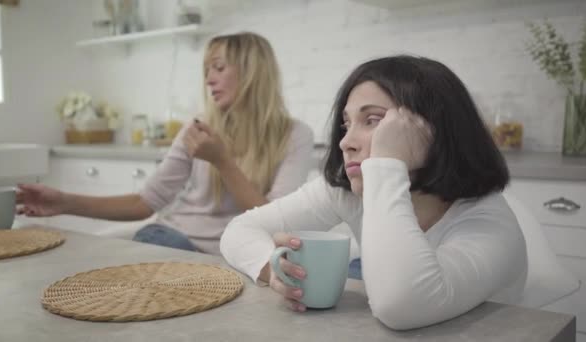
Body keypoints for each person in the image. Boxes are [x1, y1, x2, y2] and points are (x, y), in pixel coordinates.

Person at [220, 55, 528, 330]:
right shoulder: (348, 192)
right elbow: (240, 230)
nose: (345, 142)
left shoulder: (489, 223)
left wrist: (386, 166)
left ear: (435, 130)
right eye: (346, 123)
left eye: (373, 120)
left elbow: (399, 306)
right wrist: (270, 269)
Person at [17, 32, 314, 255]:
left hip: (239, 252)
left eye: (219, 68)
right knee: (156, 238)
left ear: (252, 73)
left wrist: (222, 161)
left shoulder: (296, 136)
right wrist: (63, 202)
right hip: (176, 240)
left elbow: (275, 222)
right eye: (207, 70)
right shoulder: (197, 129)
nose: (209, 79)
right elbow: (143, 203)